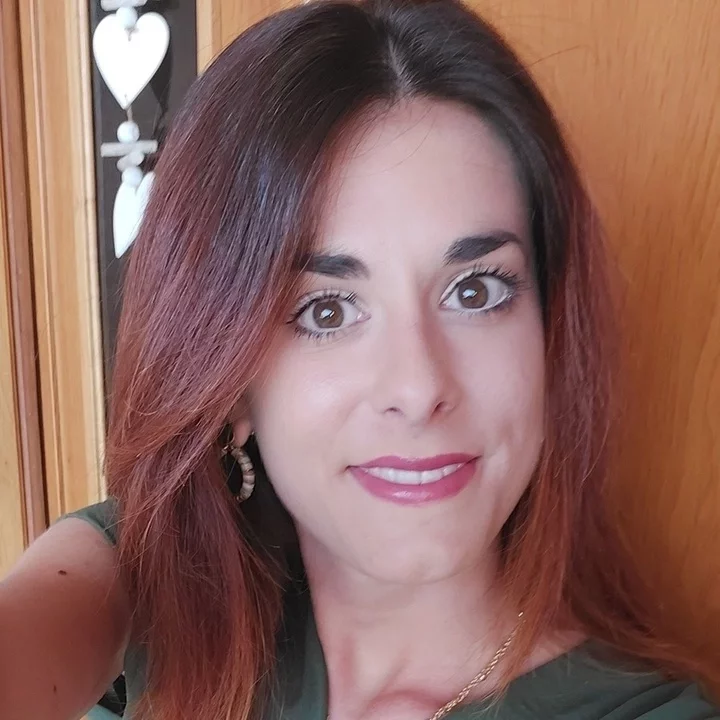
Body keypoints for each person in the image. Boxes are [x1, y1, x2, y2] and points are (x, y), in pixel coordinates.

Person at [1, 0, 718, 718]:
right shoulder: (155, 595)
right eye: (327, 311)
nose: (418, 386)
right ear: (232, 384)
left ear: (551, 334)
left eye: (475, 291)